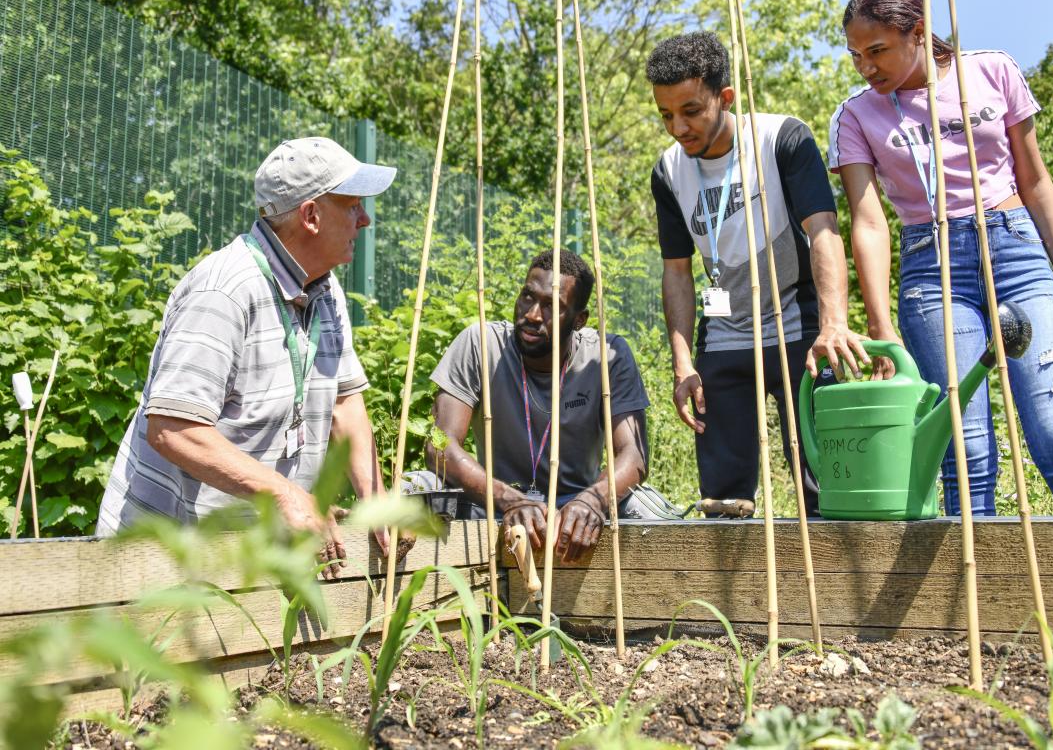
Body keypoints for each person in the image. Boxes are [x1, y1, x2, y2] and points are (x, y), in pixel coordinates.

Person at [828, 0, 1053, 516]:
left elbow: (1034, 181)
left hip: (1017, 251)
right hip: (931, 268)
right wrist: (880, 326)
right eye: (855, 55)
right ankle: (979, 596)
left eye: (876, 50)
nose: (865, 67)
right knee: (966, 448)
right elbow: (868, 223)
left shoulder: (992, 70)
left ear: (918, 31)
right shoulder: (855, 115)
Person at [97, 137, 398, 572]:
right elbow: (173, 428)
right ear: (311, 216)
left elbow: (345, 403)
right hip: (163, 555)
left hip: (245, 551)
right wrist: (285, 494)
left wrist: (378, 503)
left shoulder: (325, 289)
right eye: (352, 206)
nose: (365, 220)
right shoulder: (224, 291)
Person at [646, 31, 867, 515]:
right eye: (666, 115)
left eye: (691, 110)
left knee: (824, 486)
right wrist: (683, 362)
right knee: (723, 501)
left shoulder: (781, 138)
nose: (678, 127)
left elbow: (825, 232)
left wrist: (834, 323)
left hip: (800, 329)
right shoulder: (668, 171)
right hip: (724, 335)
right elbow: (678, 273)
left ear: (725, 98)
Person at [428, 249, 650, 562]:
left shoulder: (607, 355)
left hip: (577, 506)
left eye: (551, 307)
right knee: (420, 489)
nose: (532, 315)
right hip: (492, 502)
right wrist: (508, 499)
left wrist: (594, 499)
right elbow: (440, 448)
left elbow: (634, 454)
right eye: (528, 297)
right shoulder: (480, 344)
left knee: (645, 508)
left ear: (579, 320)